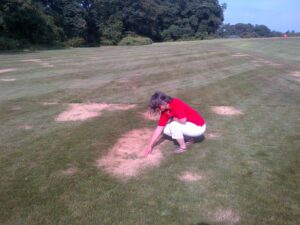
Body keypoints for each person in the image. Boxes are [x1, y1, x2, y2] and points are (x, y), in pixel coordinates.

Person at [144, 91, 206, 155]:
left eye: (158, 107)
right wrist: (150, 145)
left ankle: (183, 148)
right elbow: (159, 128)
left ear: (163, 102)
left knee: (173, 125)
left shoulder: (176, 103)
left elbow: (183, 121)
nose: (158, 109)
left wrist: (173, 119)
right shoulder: (164, 111)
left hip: (199, 127)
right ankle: (190, 138)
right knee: (166, 130)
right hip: (190, 125)